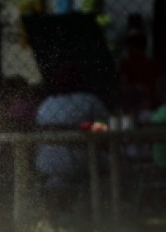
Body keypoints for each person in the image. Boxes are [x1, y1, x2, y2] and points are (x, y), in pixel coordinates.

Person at [34, 63, 110, 193]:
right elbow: (104, 127)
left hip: (48, 160)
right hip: (81, 158)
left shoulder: (47, 103)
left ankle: (59, 205)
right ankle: (104, 204)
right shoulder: (88, 100)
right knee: (113, 162)